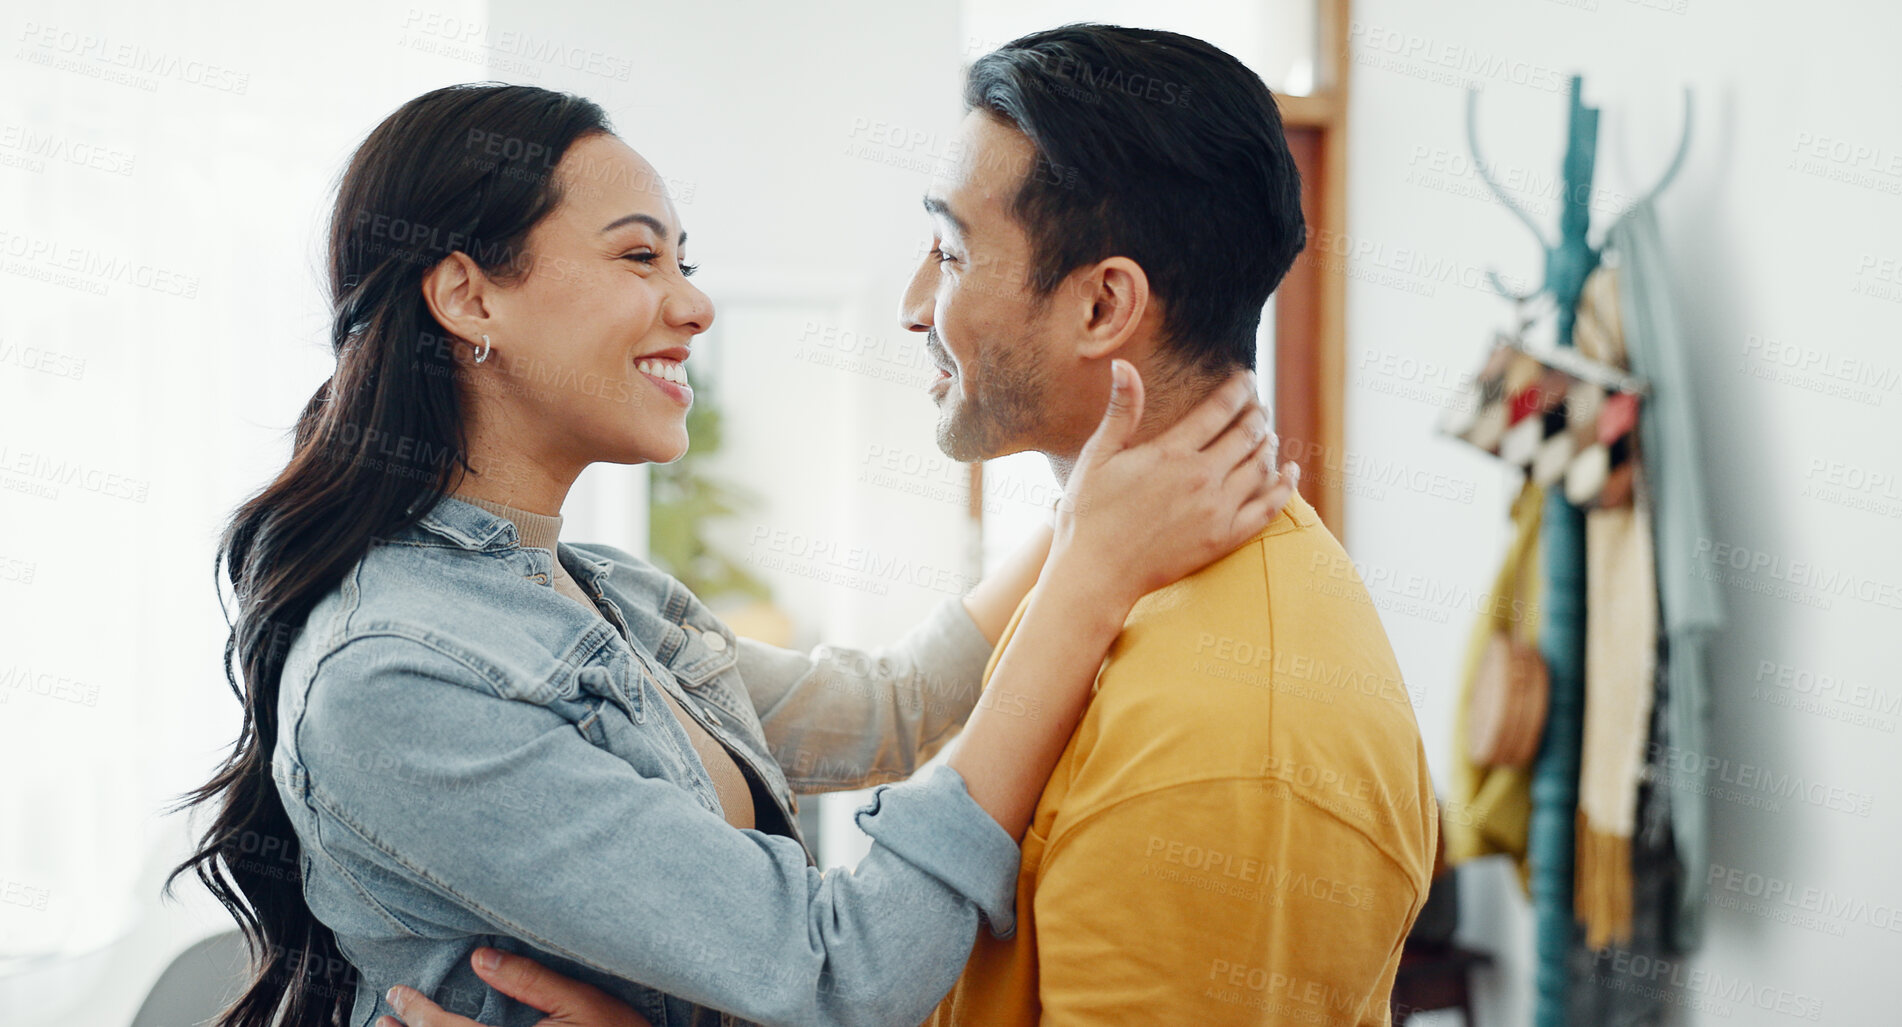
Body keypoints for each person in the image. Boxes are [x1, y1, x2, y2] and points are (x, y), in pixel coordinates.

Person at [167, 81, 1297, 1027]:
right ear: (469, 297)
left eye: (683, 259)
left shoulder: (594, 594)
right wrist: (1092, 576)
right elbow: (840, 972)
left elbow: (897, 706)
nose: (694, 303)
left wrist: (1093, 502)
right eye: (639, 256)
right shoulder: (397, 675)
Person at [397, 22, 1439, 1027]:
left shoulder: (1232, 736)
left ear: (1101, 306)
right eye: (638, 259)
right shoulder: (419, 656)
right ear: (465, 297)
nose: (908, 304)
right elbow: (891, 722)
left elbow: (882, 754)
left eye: (947, 250)